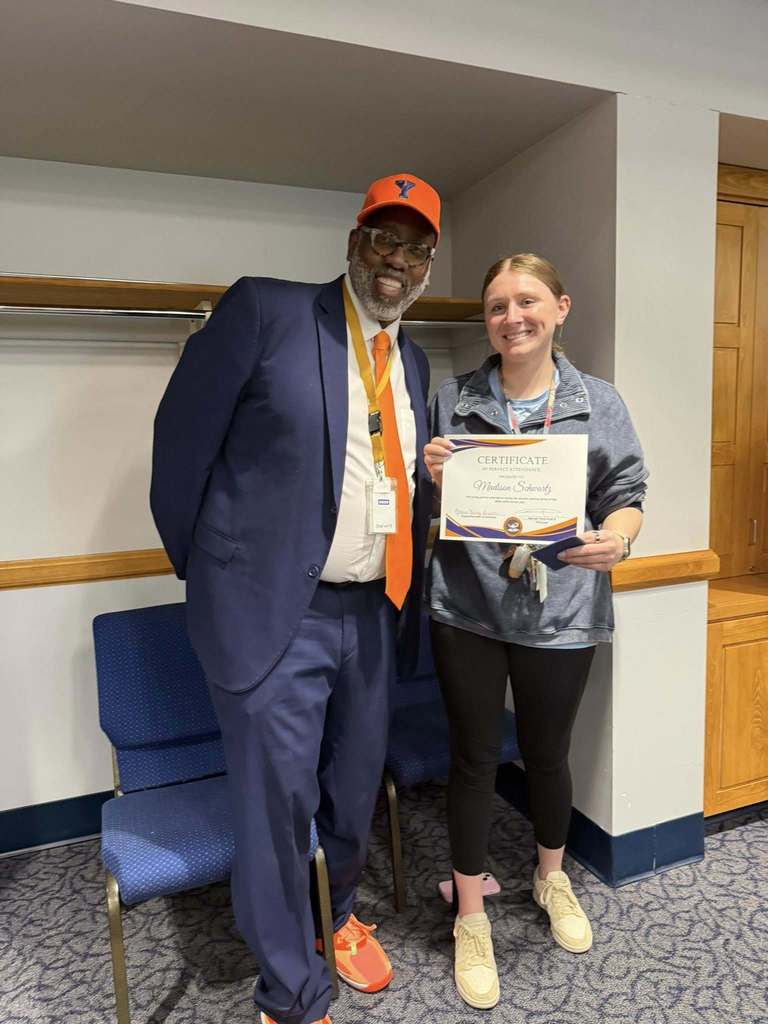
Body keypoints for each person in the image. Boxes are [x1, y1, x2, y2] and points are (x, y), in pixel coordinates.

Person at [150, 173, 440, 1024]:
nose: (397, 259)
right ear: (353, 244)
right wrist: (214, 578)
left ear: (427, 265)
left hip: (373, 615)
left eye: (415, 247)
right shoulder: (267, 312)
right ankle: (289, 986)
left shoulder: (413, 359)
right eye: (383, 239)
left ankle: (337, 917)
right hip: (277, 613)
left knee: (352, 791)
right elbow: (180, 449)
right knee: (275, 808)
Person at [423, 253, 647, 1010]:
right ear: (485, 321)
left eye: (527, 302)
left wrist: (618, 539)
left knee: (548, 756)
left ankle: (551, 878)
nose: (511, 317)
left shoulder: (598, 401)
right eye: (495, 306)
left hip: (564, 608)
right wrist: (429, 474)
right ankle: (472, 913)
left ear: (560, 308)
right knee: (475, 759)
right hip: (469, 608)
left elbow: (627, 494)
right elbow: (424, 515)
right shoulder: (451, 399)